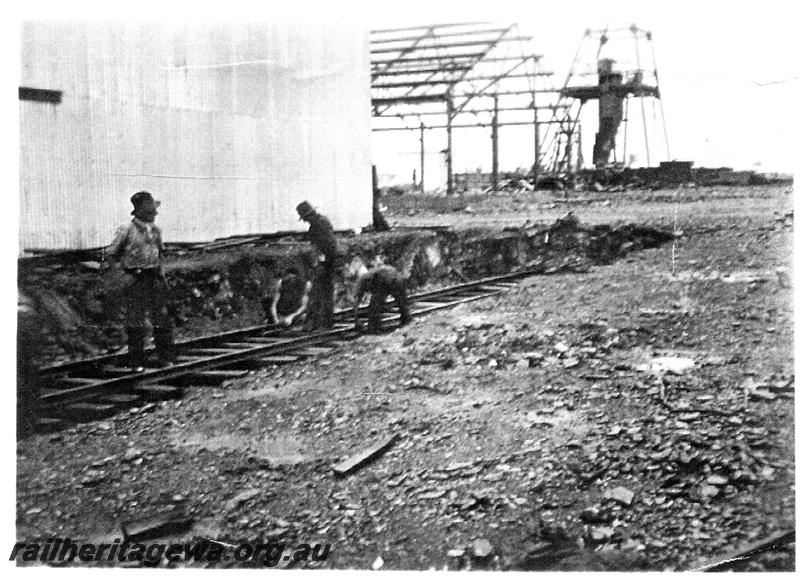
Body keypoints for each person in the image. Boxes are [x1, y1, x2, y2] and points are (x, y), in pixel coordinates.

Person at [104, 191, 174, 372]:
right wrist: (122, 274)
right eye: (151, 211)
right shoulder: (126, 229)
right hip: (135, 279)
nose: (155, 214)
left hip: (154, 277)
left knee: (162, 319)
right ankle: (136, 362)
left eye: (154, 211)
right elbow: (111, 254)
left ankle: (165, 359)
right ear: (140, 211)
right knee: (136, 321)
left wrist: (162, 277)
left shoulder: (156, 231)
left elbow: (160, 255)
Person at [296, 201, 339, 330]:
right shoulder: (319, 223)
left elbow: (328, 245)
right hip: (327, 261)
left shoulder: (319, 225)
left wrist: (322, 262)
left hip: (326, 262)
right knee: (325, 293)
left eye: (305, 218)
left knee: (318, 293)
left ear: (310, 216)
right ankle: (325, 322)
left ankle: (315, 323)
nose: (305, 221)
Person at [352, 265, 412, 333]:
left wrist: (356, 319)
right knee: (402, 303)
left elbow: (357, 299)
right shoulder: (369, 276)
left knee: (374, 307)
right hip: (396, 279)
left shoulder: (363, 280)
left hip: (385, 281)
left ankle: (374, 328)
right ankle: (406, 319)